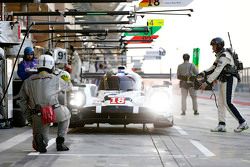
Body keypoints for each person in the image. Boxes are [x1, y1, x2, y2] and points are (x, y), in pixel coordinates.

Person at [19, 54, 72, 153]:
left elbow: (21, 100)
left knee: (40, 144)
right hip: (54, 111)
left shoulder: (27, 81)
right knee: (66, 115)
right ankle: (60, 141)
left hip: (37, 113)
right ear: (52, 66)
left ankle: (41, 140)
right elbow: (69, 87)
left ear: (37, 66)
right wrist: (64, 77)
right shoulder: (56, 79)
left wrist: (29, 117)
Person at [200, 37, 248, 132]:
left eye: (213, 45)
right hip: (224, 79)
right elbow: (213, 67)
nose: (212, 48)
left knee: (228, 102)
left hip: (229, 79)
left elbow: (217, 71)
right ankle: (221, 124)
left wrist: (207, 82)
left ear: (219, 45)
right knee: (221, 103)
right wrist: (203, 73)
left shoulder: (224, 56)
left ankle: (243, 122)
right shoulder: (219, 56)